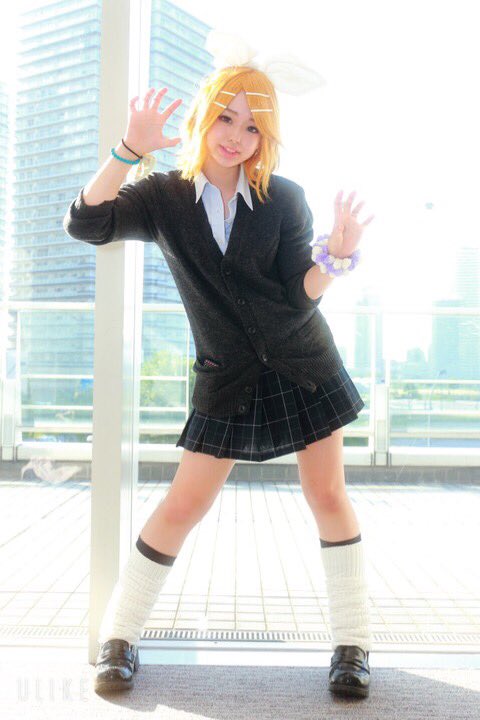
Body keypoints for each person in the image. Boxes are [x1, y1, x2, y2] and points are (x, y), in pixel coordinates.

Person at [63, 31, 375, 700]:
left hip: (304, 362)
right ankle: (120, 638)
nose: (236, 136)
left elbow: (298, 293)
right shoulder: (164, 197)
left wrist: (337, 257)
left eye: (253, 127)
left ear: (267, 137)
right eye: (227, 118)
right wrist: (128, 150)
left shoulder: (284, 198)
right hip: (226, 376)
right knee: (184, 503)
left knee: (327, 496)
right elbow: (86, 224)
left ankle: (353, 645)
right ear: (205, 116)